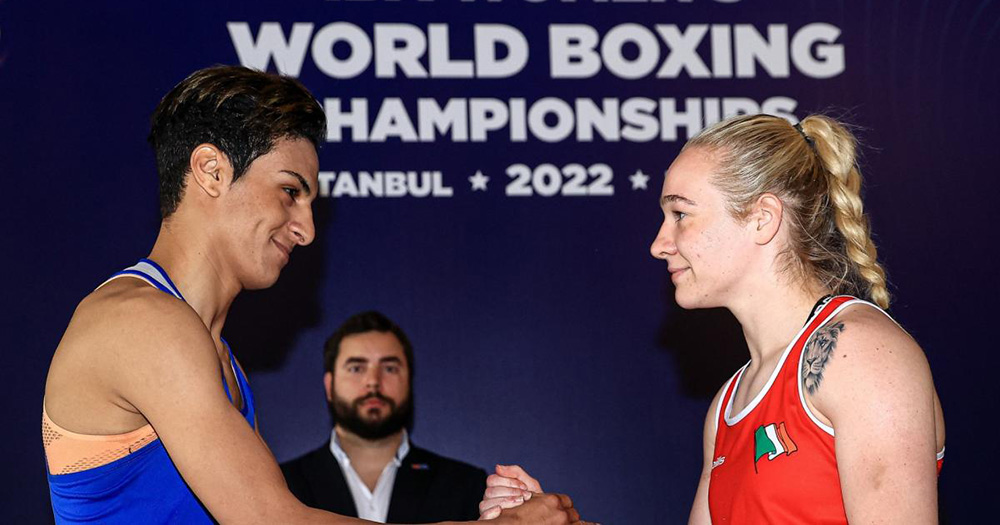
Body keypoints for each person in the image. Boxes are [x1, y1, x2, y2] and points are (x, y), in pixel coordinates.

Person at [41, 65, 581, 525]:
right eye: (290, 192)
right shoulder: (142, 323)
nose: (307, 229)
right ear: (210, 170)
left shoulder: (213, 354)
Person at [480, 114, 946, 523]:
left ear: (763, 219)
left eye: (680, 213)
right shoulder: (730, 401)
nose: (659, 244)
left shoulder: (858, 353)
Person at [281, 311, 487, 523]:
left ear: (409, 381)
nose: (373, 381)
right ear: (329, 386)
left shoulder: (465, 486)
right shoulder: (282, 485)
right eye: (356, 368)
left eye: (389, 368)